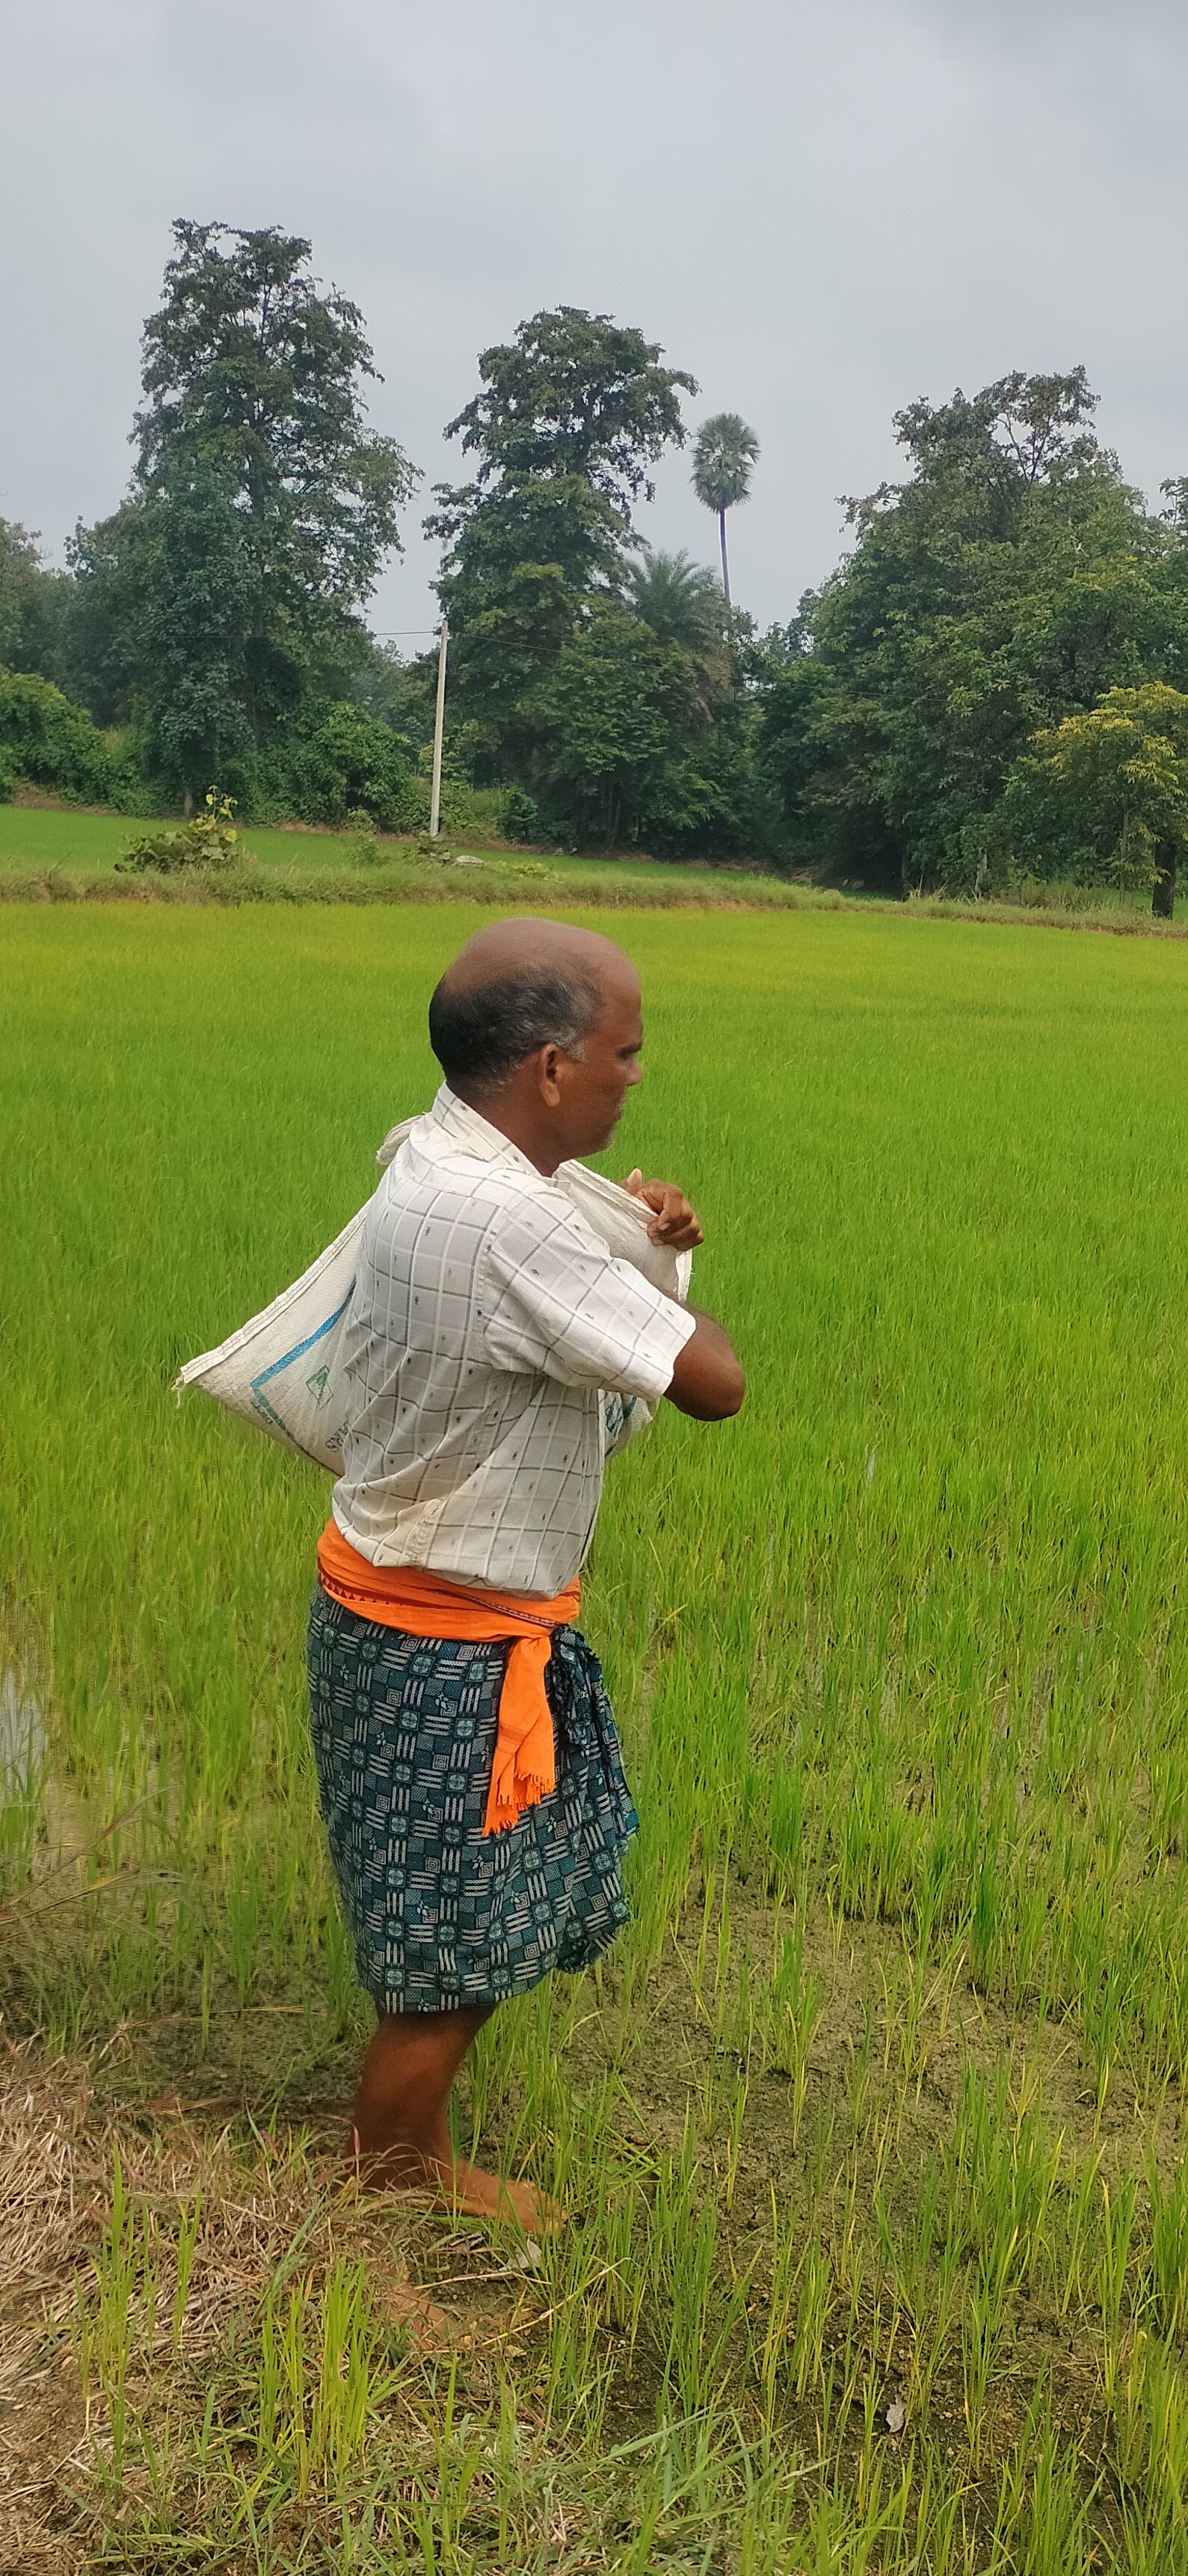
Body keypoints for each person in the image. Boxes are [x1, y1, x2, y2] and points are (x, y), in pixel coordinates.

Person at [305, 916, 743, 2284]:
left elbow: (583, 1355)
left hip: (410, 1614)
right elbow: (712, 1383)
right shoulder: (514, 1221)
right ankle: (381, 2191)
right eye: (625, 1053)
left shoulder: (433, 1156)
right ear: (552, 1067)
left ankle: (409, 2155)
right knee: (447, 1959)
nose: (635, 1078)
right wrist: (638, 1260)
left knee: (464, 1926)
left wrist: (633, 1245)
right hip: (447, 1647)